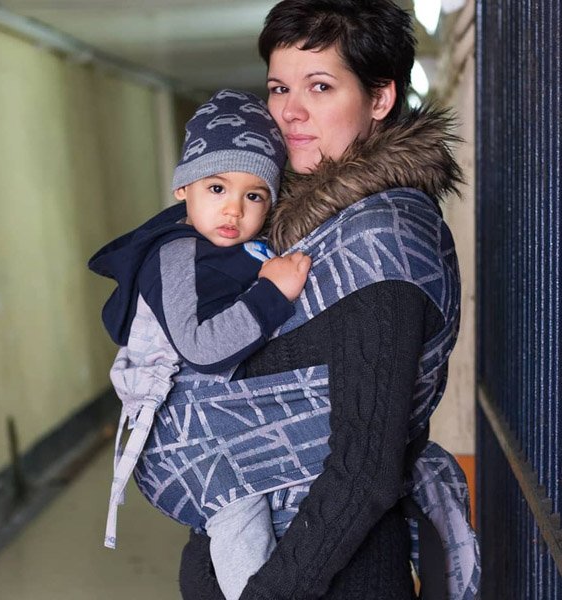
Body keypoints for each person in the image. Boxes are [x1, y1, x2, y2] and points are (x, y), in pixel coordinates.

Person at [172, 1, 481, 599]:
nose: (290, 110)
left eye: (320, 86)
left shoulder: (382, 242)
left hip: (323, 580)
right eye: (279, 88)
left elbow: (364, 472)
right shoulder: (290, 227)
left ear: (380, 97)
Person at [88, 89, 312, 600]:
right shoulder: (174, 254)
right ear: (183, 189)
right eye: (216, 188)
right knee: (239, 515)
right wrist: (272, 294)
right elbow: (201, 348)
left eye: (254, 196)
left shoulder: (243, 247)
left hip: (236, 417)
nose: (233, 209)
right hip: (191, 436)